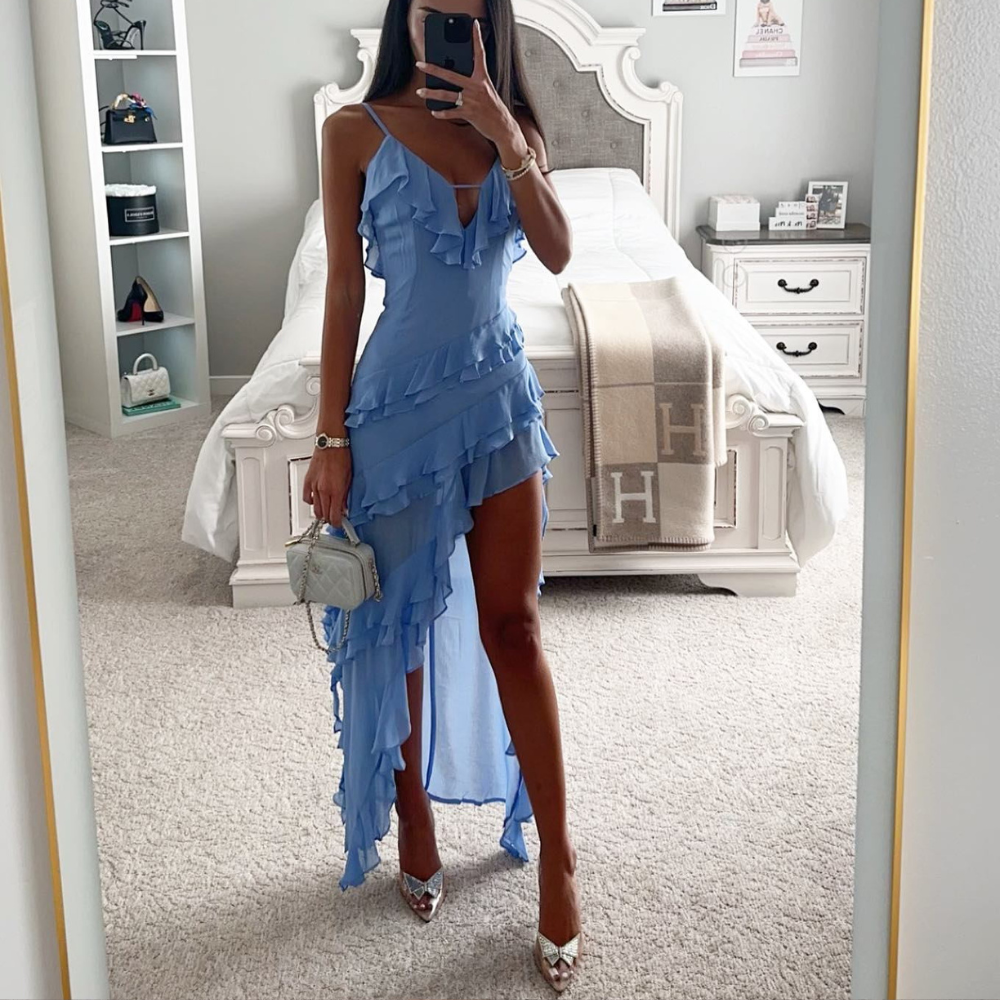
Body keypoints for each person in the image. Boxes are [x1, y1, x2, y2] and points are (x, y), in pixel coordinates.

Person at [301, 0, 581, 991]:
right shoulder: (351, 131)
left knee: (516, 627)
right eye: (434, 10)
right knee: (400, 631)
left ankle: (557, 856)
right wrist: (329, 437)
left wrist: (509, 140)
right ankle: (413, 815)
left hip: (497, 401)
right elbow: (344, 289)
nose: (449, 23)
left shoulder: (520, 129)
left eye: (467, 11)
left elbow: (558, 252)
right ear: (407, 18)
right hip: (394, 415)